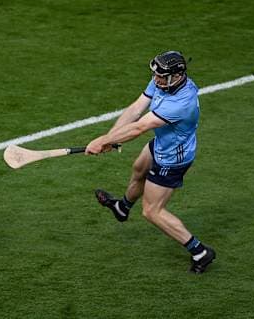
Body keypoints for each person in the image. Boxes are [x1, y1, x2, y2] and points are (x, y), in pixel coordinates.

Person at [85, 51, 215, 274]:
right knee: (139, 169)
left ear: (177, 75)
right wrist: (111, 137)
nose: (156, 80)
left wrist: (104, 141)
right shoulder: (164, 81)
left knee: (152, 211)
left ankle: (200, 251)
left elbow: (139, 127)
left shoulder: (181, 103)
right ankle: (122, 208)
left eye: (161, 77)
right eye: (155, 75)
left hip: (173, 158)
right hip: (162, 143)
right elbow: (136, 109)